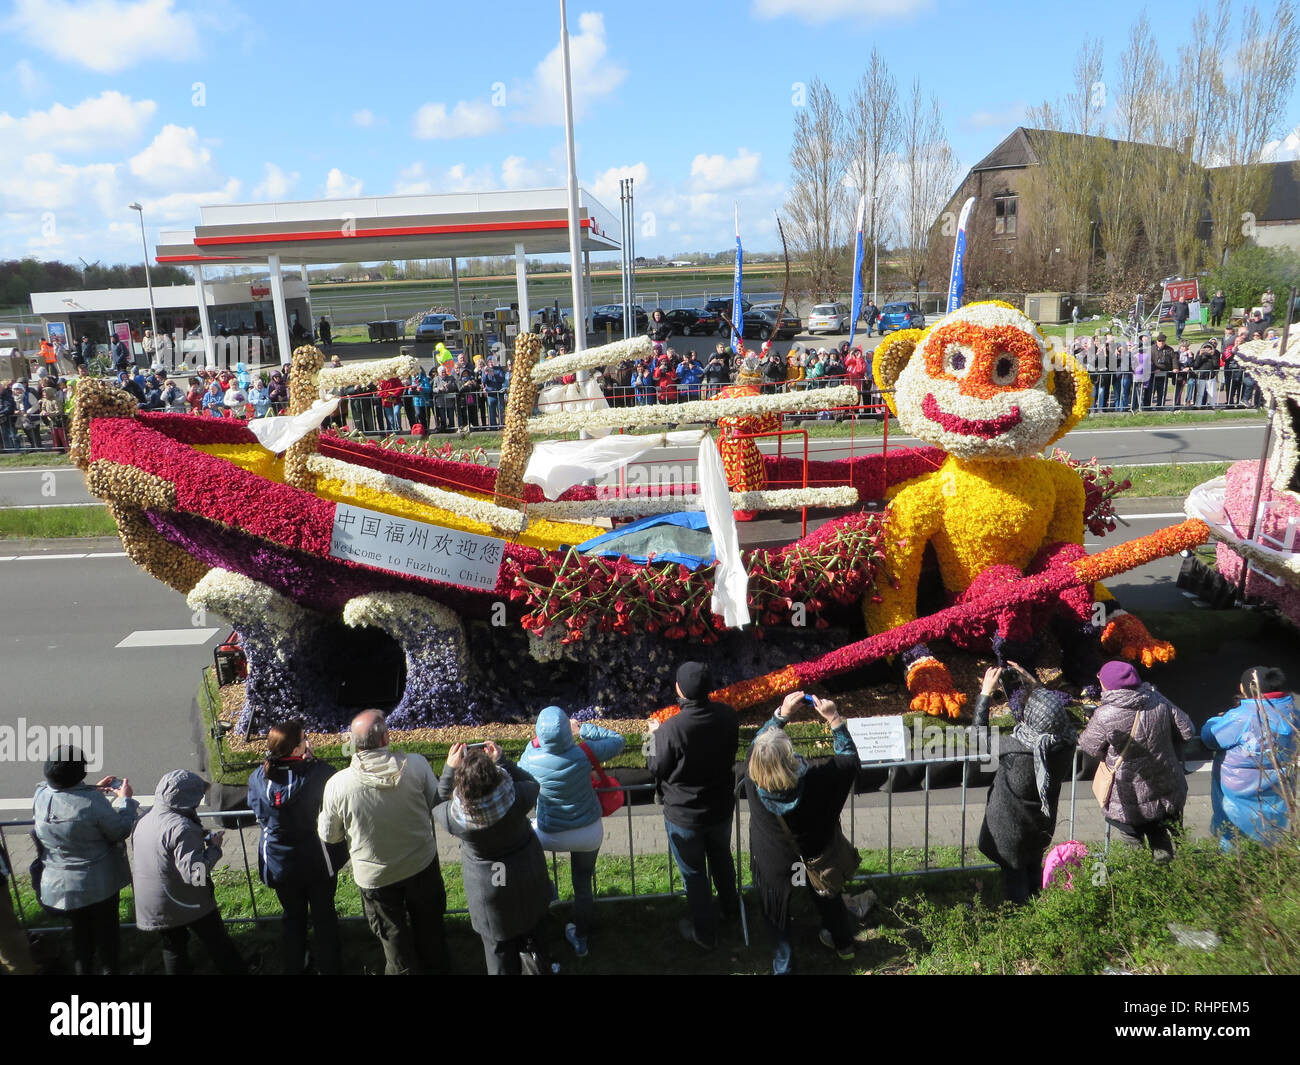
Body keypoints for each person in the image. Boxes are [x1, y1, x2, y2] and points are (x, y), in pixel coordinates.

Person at [317, 710, 447, 974]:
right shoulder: (417, 765)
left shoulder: (337, 785)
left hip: (377, 876)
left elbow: (330, 836)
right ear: (386, 737)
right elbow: (439, 804)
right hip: (421, 863)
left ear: (353, 743)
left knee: (393, 937)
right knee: (430, 927)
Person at [745, 692, 859, 974]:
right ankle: (843, 944)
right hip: (816, 856)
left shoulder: (751, 775)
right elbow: (849, 759)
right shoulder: (820, 779)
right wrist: (833, 718)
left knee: (776, 911)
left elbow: (755, 745)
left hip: (773, 858)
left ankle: (784, 967)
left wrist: (781, 714)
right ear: (789, 757)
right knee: (827, 895)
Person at [435, 742, 553, 975]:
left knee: (497, 948)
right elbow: (532, 783)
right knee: (532, 927)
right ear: (495, 777)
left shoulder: (456, 818)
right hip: (526, 874)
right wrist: (502, 760)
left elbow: (437, 803)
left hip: (488, 889)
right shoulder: (516, 796)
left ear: (464, 786)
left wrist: (449, 769)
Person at [518, 706, 626, 957]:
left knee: (523, 842)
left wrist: (540, 739)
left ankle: (546, 890)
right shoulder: (584, 753)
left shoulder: (530, 760)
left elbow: (526, 754)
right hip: (587, 832)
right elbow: (619, 741)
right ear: (567, 732)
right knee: (583, 883)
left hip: (549, 835)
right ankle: (581, 937)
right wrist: (582, 729)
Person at [647, 662, 740, 948]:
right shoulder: (727, 716)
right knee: (722, 860)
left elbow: (654, 766)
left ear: (679, 690)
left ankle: (705, 934)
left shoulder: (670, 730)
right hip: (720, 809)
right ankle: (732, 912)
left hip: (684, 817)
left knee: (694, 873)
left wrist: (651, 736)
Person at [247, 720, 347, 974]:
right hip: (317, 860)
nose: (308, 742)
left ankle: (295, 965)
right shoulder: (320, 773)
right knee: (324, 916)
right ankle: (329, 967)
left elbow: (260, 814)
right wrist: (313, 761)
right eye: (304, 739)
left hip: (280, 863)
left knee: (293, 916)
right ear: (295, 749)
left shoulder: (258, 778)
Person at [975, 667, 1077, 904]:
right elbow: (1050, 717)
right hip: (1040, 823)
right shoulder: (1065, 742)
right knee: (1033, 866)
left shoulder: (1016, 748)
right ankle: (1038, 906)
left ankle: (1022, 921)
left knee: (1015, 877)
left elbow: (980, 737)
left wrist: (985, 694)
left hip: (1010, 830)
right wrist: (1034, 684)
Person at [32, 747, 138, 975]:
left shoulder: (40, 795)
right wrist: (126, 801)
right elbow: (119, 830)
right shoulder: (91, 802)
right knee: (107, 937)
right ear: (79, 773)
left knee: (81, 938)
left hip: (62, 887)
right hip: (99, 884)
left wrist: (91, 789)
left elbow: (69, 800)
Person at [132, 770, 249, 974]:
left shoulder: (146, 818)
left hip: (153, 902)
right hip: (184, 900)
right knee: (216, 939)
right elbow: (195, 875)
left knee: (173, 946)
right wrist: (214, 849)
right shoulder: (182, 827)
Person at [1078, 661, 1195, 863]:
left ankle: (1138, 884)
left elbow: (1089, 746)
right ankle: (1167, 882)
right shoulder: (1156, 699)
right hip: (1165, 788)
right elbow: (1187, 731)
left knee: (1132, 843)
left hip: (1129, 796)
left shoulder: (1105, 714)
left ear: (1107, 684)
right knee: (1161, 838)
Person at [1202, 666, 1299, 849]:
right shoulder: (1291, 713)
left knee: (1235, 840)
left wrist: (1214, 721)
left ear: (1243, 688)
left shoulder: (1242, 717)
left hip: (1238, 796)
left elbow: (1210, 737)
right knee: (1272, 836)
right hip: (1279, 789)